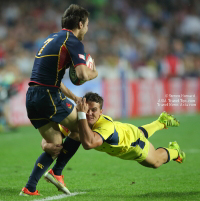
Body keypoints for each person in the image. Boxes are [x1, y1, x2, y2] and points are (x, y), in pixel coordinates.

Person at [20, 4, 98, 196]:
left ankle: (30, 187)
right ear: (80, 24)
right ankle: (57, 172)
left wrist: (74, 97)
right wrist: (94, 72)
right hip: (48, 95)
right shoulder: (73, 41)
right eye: (86, 25)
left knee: (55, 145)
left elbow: (53, 77)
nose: (87, 29)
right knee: (81, 127)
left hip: (32, 97)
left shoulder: (50, 39)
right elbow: (81, 74)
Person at [41, 92, 185, 193]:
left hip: (133, 144)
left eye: (94, 110)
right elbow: (52, 136)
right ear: (82, 108)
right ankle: (161, 122)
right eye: (87, 110)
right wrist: (46, 145)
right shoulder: (80, 120)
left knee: (156, 162)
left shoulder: (103, 126)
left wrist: (80, 115)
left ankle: (175, 151)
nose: (89, 113)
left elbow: (89, 144)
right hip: (124, 131)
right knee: (78, 132)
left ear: (101, 111)